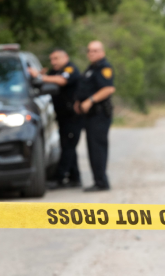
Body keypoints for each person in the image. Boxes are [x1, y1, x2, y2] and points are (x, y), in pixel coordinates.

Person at [28, 49, 84, 189]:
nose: (53, 62)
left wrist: (40, 77)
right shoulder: (55, 71)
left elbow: (62, 80)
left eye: (56, 58)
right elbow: (46, 79)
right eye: (51, 59)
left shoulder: (70, 68)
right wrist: (40, 75)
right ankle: (74, 177)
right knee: (69, 146)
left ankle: (59, 178)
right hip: (62, 116)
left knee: (68, 147)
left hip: (73, 117)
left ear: (65, 57)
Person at [74, 41, 115, 192]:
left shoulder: (105, 68)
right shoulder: (92, 68)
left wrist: (90, 101)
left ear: (102, 52)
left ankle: (102, 182)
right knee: (92, 148)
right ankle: (98, 180)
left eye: (95, 50)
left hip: (99, 114)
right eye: (90, 50)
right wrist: (79, 102)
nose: (92, 53)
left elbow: (109, 88)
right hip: (90, 115)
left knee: (98, 148)